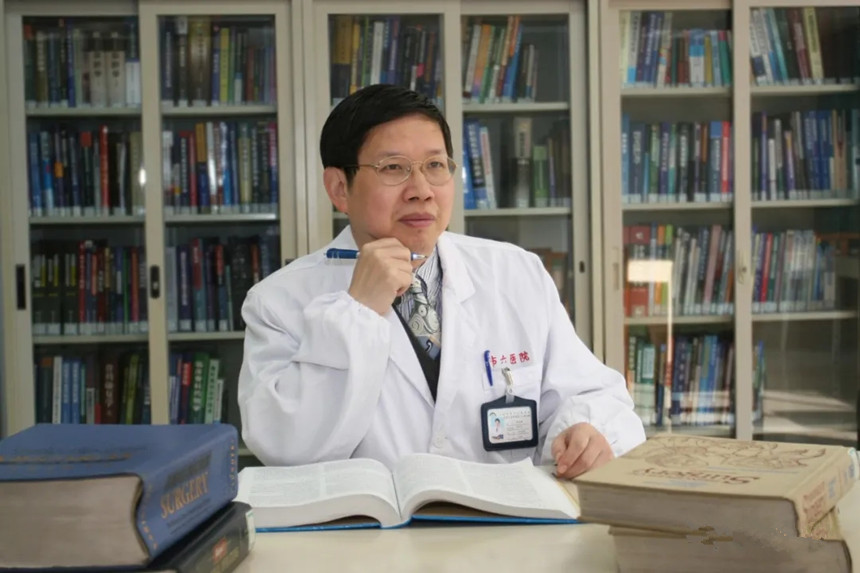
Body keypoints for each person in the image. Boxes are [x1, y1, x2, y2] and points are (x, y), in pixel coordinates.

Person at [237, 84, 645, 479]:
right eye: (393, 168)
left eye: (435, 166)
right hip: (368, 526)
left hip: (505, 522)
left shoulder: (516, 272)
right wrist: (357, 311)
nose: (421, 191)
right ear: (340, 188)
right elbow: (285, 446)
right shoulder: (278, 301)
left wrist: (583, 431)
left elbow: (591, 394)